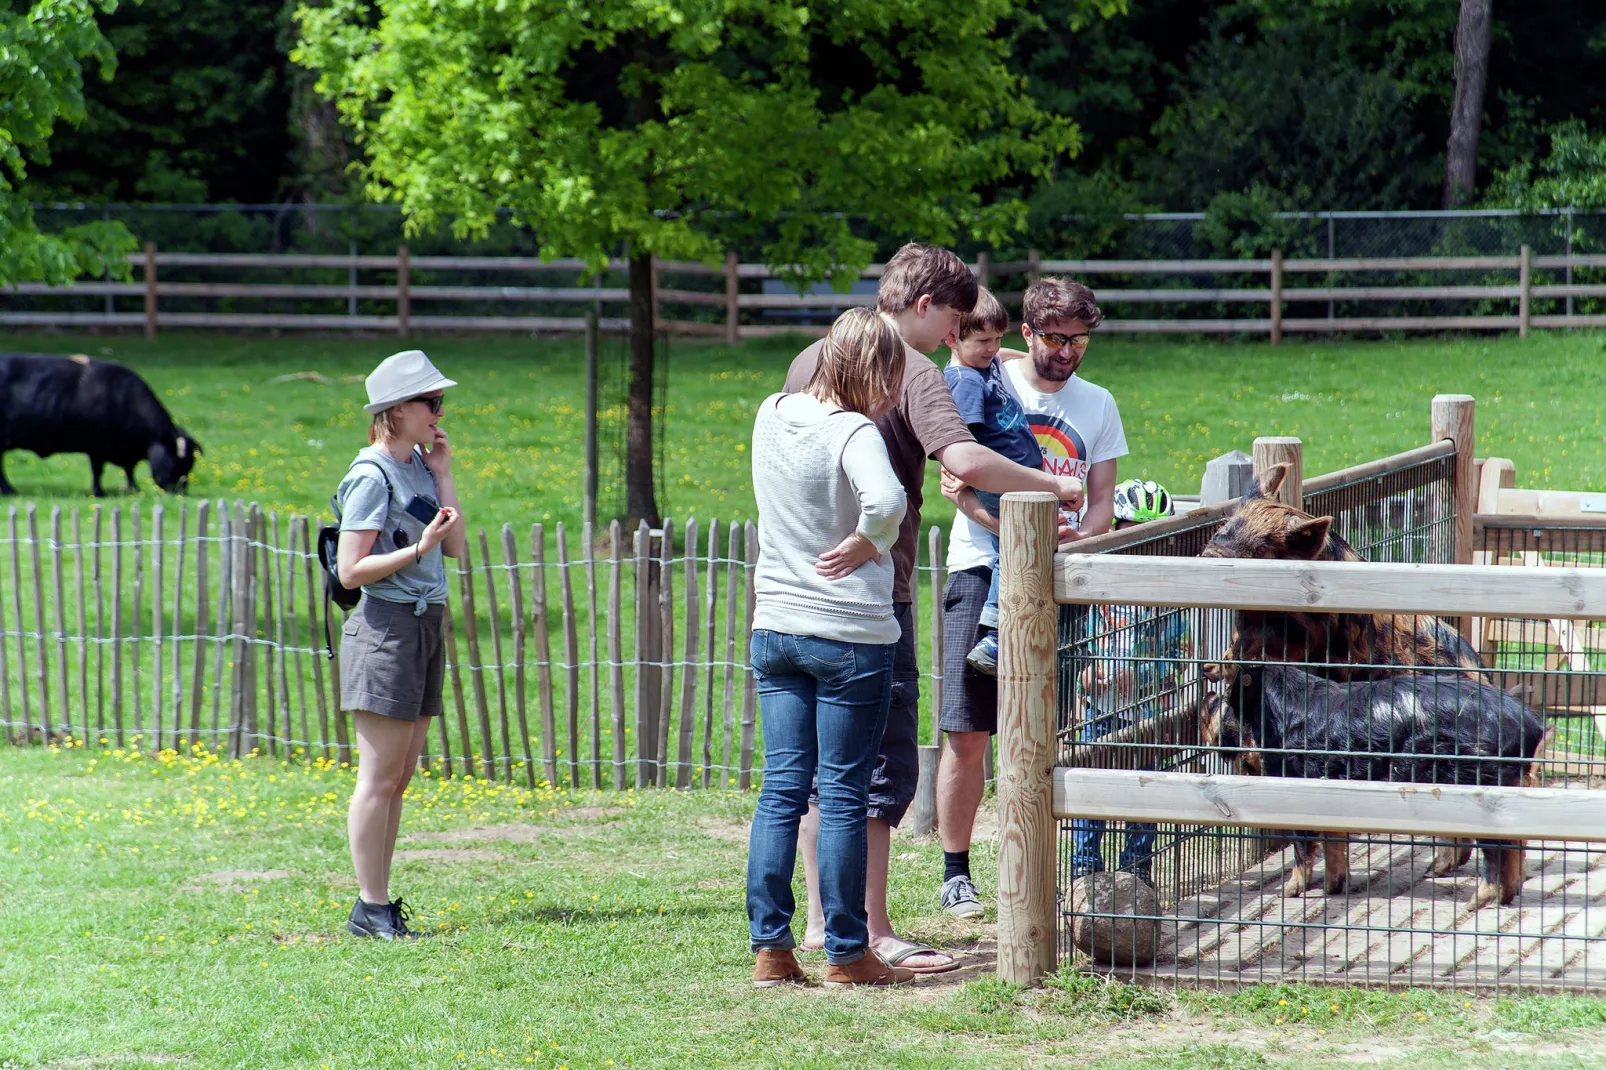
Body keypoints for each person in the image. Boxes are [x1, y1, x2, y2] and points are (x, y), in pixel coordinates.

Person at [783, 244, 1085, 973]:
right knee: (881, 767)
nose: (956, 333)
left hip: (798, 589)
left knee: (821, 770)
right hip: (871, 594)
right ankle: (875, 929)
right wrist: (1055, 489)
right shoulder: (912, 370)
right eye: (953, 317)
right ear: (925, 308)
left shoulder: (810, 358)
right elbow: (967, 462)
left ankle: (824, 924)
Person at [935, 276, 1127, 920]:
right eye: (1054, 337)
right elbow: (954, 483)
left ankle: (1042, 864)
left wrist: (1070, 546)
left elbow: (1101, 501)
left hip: (1060, 579)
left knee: (1047, 729)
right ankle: (955, 871)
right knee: (967, 730)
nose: (1068, 351)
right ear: (1025, 333)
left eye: (1080, 340)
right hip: (980, 569)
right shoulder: (988, 376)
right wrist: (1016, 535)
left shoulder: (1099, 404)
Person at [746, 308, 911, 988]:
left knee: (782, 790)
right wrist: (869, 540)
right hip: (847, 633)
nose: (894, 394)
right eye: (892, 378)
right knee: (843, 792)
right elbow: (889, 498)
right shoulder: (853, 430)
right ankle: (848, 954)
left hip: (775, 626)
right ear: (872, 370)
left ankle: (772, 950)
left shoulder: (769, 412)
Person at [336, 349, 466, 940]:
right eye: (431, 402)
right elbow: (349, 571)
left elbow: (457, 548)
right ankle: (370, 906)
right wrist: (417, 550)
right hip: (385, 628)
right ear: (397, 411)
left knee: (400, 775)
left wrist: (442, 472)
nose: (440, 411)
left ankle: (380, 903)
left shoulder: (416, 465)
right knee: (378, 777)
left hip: (423, 623)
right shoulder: (371, 474)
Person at [1069, 479, 1189, 885]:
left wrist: (1137, 674)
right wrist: (1087, 674)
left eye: (1153, 537)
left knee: (1144, 791)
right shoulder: (1096, 592)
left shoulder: (1168, 602)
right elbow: (1080, 648)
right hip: (1099, 711)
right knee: (1091, 791)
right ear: (1114, 531)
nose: (1143, 547)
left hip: (1147, 715)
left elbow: (1179, 658)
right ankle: (1083, 870)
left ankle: (1136, 870)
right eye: (1133, 534)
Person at [938, 286, 1042, 677]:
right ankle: (996, 636)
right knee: (1013, 550)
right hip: (998, 482)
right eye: (982, 340)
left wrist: (1024, 357)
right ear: (952, 338)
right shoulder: (965, 380)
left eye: (998, 338)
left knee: (1022, 546)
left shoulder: (984, 362)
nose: (992, 348)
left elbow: (1002, 356)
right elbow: (963, 442)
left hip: (1016, 481)